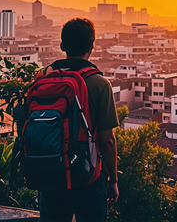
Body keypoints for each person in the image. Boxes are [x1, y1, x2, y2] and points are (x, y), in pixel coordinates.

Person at [38, 18, 119, 222]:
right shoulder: (99, 84)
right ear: (91, 45)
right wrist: (113, 179)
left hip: (50, 174)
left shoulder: (43, 79)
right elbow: (107, 141)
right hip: (87, 176)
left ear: (62, 45)